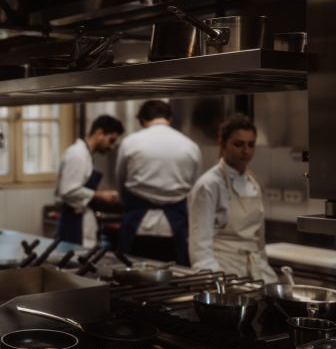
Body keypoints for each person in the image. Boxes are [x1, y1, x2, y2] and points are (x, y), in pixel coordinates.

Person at [188, 114, 278, 283]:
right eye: (238, 144)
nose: (246, 151)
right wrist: (215, 280)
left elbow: (260, 239)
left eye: (251, 145)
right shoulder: (209, 184)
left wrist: (264, 267)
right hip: (224, 272)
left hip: (255, 271)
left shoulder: (253, 183)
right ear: (222, 144)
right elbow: (200, 245)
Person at [116, 100, 202, 265]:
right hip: (174, 229)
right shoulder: (191, 146)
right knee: (174, 280)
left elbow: (121, 181)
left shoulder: (130, 143)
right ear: (169, 119)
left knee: (133, 279)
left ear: (142, 121)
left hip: (137, 226)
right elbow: (195, 190)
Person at [55, 115, 125, 246]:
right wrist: (100, 195)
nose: (112, 146)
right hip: (74, 224)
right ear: (99, 133)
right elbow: (68, 190)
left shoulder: (85, 154)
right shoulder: (77, 155)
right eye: (111, 140)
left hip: (81, 220)